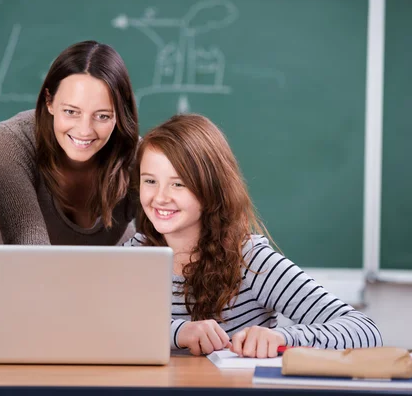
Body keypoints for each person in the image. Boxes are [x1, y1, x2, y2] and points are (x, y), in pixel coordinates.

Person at [125, 114, 383, 357]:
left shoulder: (250, 261)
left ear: (211, 188)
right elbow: (92, 328)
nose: (159, 197)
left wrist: (283, 337)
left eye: (178, 184)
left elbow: (364, 331)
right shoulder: (131, 257)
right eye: (150, 181)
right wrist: (177, 332)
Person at [0, 40, 139, 245]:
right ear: (49, 101)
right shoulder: (10, 143)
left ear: (120, 113)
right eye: (71, 112)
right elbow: (30, 252)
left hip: (114, 272)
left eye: (102, 116)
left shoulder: (140, 156)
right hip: (26, 276)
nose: (84, 130)